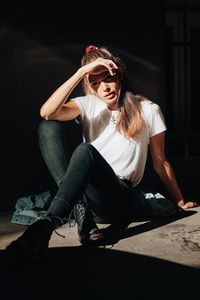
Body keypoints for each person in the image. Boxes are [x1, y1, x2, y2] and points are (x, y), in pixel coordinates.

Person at [6, 44, 198, 260]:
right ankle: (79, 212)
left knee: (85, 151)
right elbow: (47, 112)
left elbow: (161, 162)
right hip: (85, 195)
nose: (104, 87)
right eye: (95, 83)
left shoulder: (148, 109)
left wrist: (179, 200)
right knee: (47, 126)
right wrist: (81, 72)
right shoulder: (89, 105)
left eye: (107, 78)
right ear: (90, 87)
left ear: (119, 77)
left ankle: (47, 225)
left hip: (116, 194)